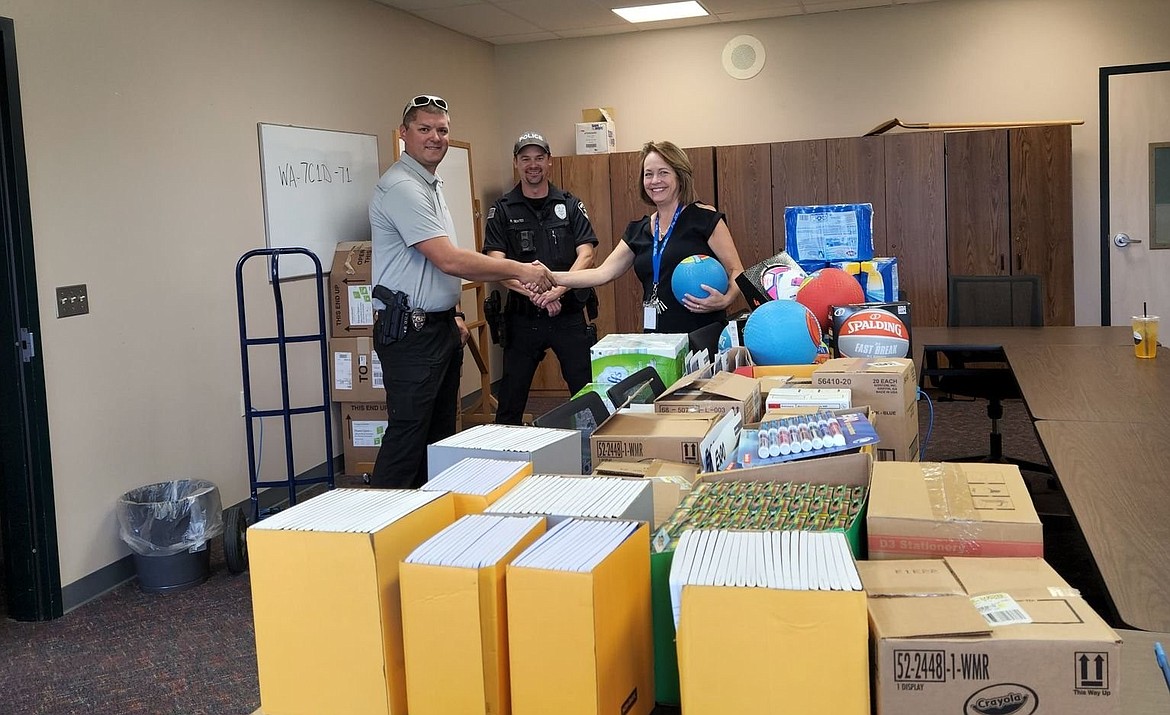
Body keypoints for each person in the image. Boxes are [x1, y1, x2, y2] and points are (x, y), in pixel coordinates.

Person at [368, 94, 554, 489]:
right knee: (408, 437)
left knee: (436, 438)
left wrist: (452, 313)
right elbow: (448, 260)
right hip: (410, 333)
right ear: (404, 134)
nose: (435, 137)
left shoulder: (429, 184)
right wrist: (521, 268)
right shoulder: (402, 187)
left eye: (442, 130)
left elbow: (431, 270)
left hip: (437, 328)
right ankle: (379, 528)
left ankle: (422, 521)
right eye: (424, 129)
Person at [545, 140, 744, 336]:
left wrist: (726, 300)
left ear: (680, 176)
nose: (655, 180)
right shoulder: (638, 231)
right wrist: (551, 277)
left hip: (702, 333)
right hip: (657, 339)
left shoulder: (704, 219)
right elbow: (602, 273)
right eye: (648, 174)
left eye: (663, 173)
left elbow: (736, 270)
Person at [483, 132, 598, 425]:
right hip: (523, 317)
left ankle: (598, 454)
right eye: (525, 159)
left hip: (568, 313)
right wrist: (535, 293)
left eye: (538, 158)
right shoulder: (503, 209)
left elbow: (586, 255)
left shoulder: (570, 204)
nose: (532, 165)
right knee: (510, 399)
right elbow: (496, 263)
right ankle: (502, 464)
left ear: (549, 162)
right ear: (516, 164)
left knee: (587, 392)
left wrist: (557, 291)